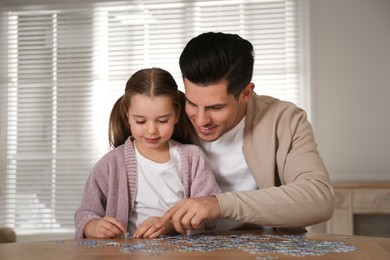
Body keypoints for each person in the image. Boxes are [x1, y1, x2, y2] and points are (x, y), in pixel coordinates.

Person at [148, 32, 334, 238]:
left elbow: (320, 198)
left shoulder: (284, 119)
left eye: (216, 107)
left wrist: (219, 204)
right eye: (192, 103)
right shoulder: (168, 117)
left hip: (266, 248)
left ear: (246, 93)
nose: (201, 120)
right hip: (184, 247)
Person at [74, 68, 220, 239]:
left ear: (177, 114)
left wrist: (171, 224)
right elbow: (86, 212)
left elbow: (211, 215)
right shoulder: (110, 164)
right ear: (127, 114)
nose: (151, 130)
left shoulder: (192, 158)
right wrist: (93, 226)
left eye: (162, 120)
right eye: (140, 121)